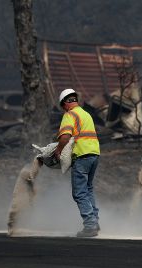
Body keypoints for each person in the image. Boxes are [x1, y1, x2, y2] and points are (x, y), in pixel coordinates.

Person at [54, 88, 101, 237]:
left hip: (82, 155)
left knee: (79, 192)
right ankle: (95, 222)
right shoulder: (86, 114)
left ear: (65, 104)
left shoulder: (70, 114)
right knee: (88, 189)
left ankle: (90, 226)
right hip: (95, 154)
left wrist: (58, 150)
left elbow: (65, 136)